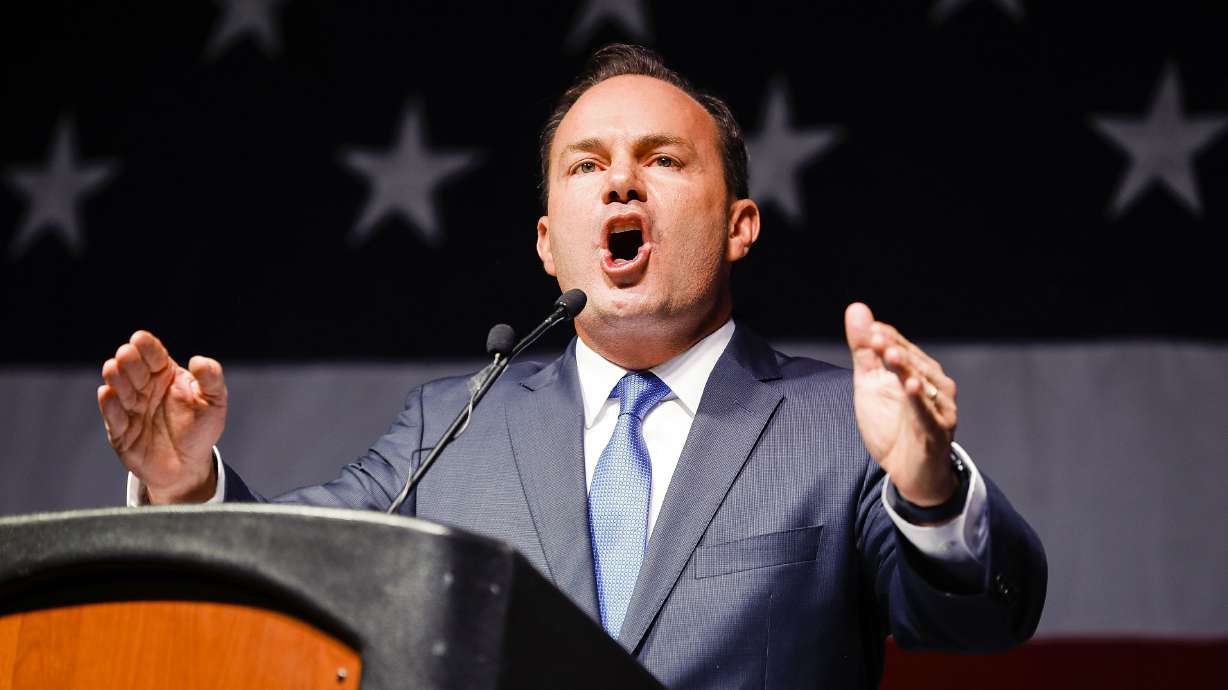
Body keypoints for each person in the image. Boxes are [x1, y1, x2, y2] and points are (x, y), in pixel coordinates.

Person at [96, 44, 1045, 689]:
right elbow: (292, 578)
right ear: (550, 244)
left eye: (663, 160)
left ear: (739, 226)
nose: (622, 180)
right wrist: (184, 486)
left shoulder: (837, 422)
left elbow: (981, 622)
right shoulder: (449, 426)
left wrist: (928, 487)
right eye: (587, 167)